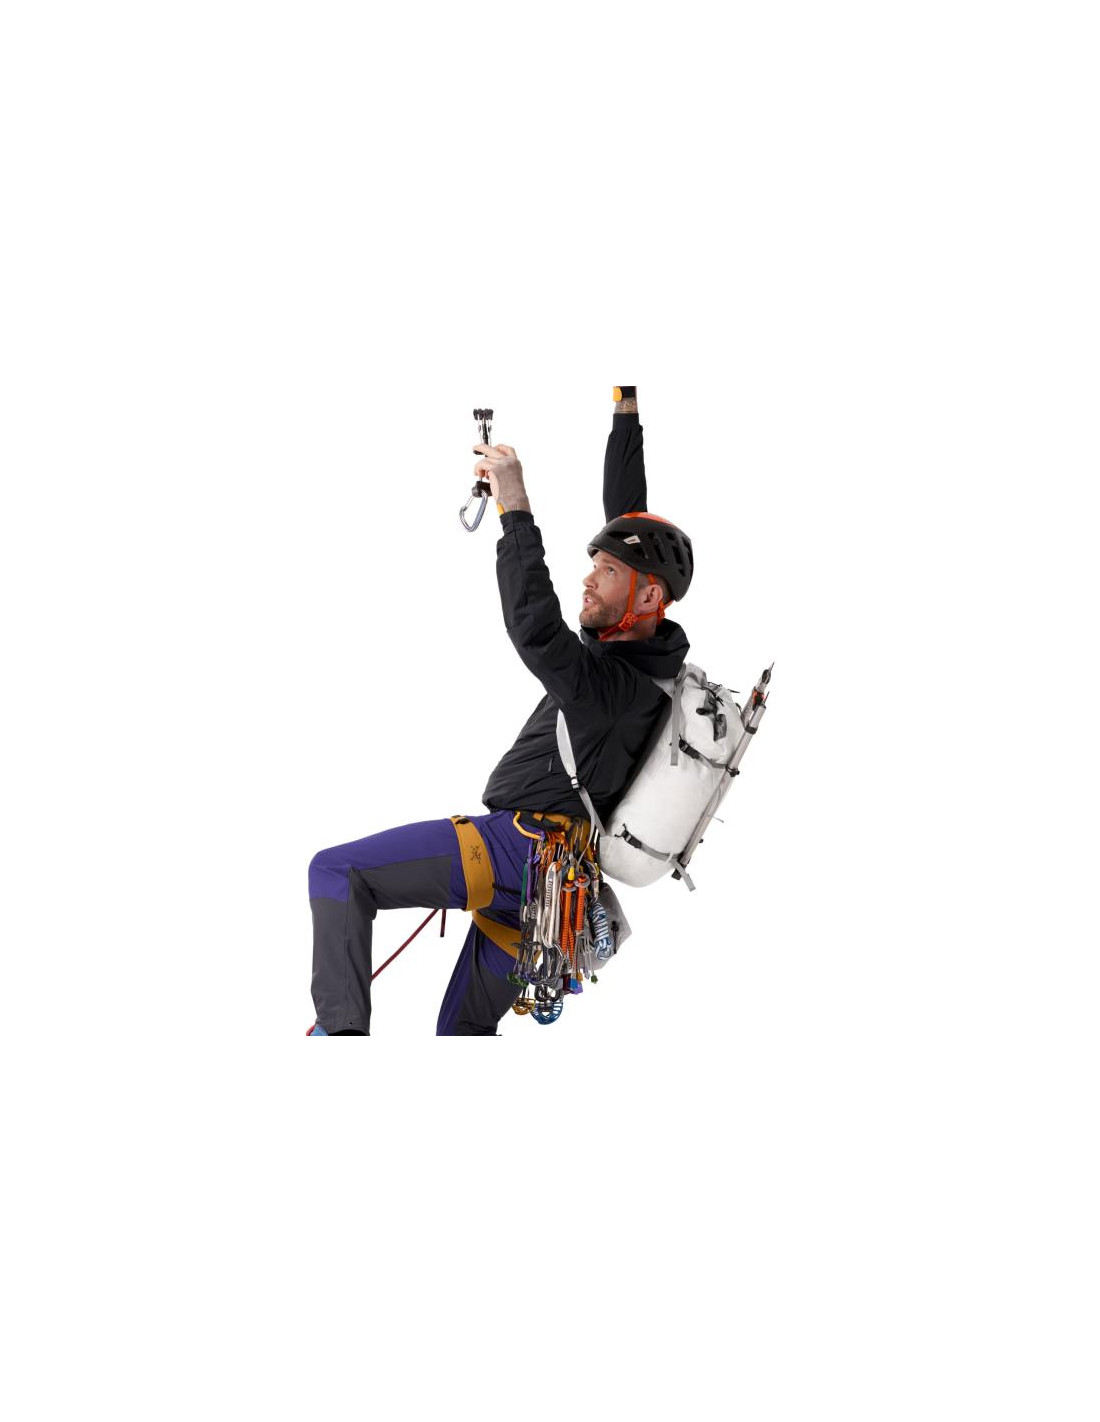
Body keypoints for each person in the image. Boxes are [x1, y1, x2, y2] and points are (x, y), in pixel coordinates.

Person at [307, 387, 694, 1035]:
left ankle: (339, 1037)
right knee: (462, 1035)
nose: (588, 578)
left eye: (606, 571)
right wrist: (625, 405)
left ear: (649, 596)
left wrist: (515, 507)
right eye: (595, 564)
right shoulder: (647, 670)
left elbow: (535, 628)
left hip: (518, 850)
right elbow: (628, 513)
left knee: (338, 870)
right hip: (556, 893)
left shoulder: (611, 685)